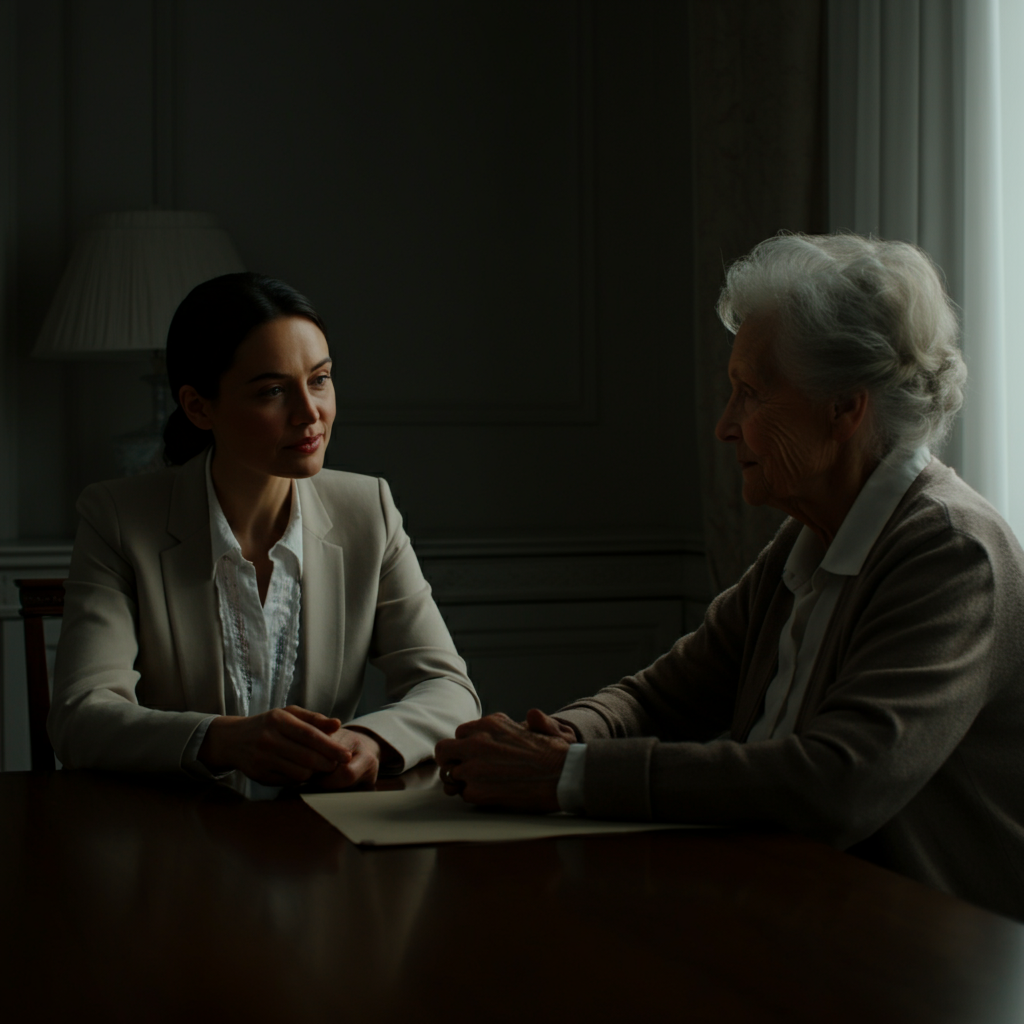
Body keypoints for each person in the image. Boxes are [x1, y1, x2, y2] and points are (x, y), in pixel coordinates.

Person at [436, 233, 1024, 920]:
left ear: (844, 408)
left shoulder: (953, 553)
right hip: (791, 908)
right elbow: (659, 697)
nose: (724, 425)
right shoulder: (808, 538)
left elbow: (839, 780)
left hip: (921, 948)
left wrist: (565, 775)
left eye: (750, 394)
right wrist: (558, 739)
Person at [50, 272, 479, 787]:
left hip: (322, 823)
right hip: (176, 825)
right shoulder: (118, 517)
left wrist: (370, 740)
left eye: (319, 379)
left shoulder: (369, 510)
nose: (310, 413)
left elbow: (448, 688)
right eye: (273, 390)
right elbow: (80, 717)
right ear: (198, 406)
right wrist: (224, 740)